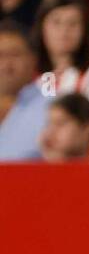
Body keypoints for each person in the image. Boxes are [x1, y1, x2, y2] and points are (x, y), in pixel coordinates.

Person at [0, 19, 49, 160]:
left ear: (33, 60)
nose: (6, 65)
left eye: (15, 55)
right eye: (0, 55)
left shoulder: (52, 106)